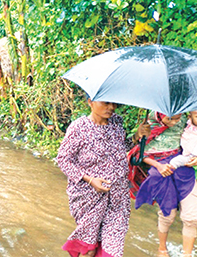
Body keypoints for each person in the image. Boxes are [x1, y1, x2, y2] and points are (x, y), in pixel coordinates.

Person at [57, 99, 150, 257]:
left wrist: (137, 136)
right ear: (90, 102)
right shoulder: (79, 128)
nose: (111, 108)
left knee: (113, 249)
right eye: (106, 103)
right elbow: (63, 160)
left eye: (114, 104)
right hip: (88, 197)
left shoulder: (116, 122)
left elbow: (121, 148)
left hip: (118, 196)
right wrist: (90, 180)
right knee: (90, 248)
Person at [131, 112, 197, 257]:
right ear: (160, 115)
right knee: (167, 215)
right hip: (161, 172)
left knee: (192, 217)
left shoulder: (187, 118)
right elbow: (138, 154)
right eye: (170, 119)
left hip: (183, 168)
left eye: (178, 118)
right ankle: (162, 249)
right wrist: (158, 165)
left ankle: (187, 254)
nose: (174, 122)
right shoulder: (149, 123)